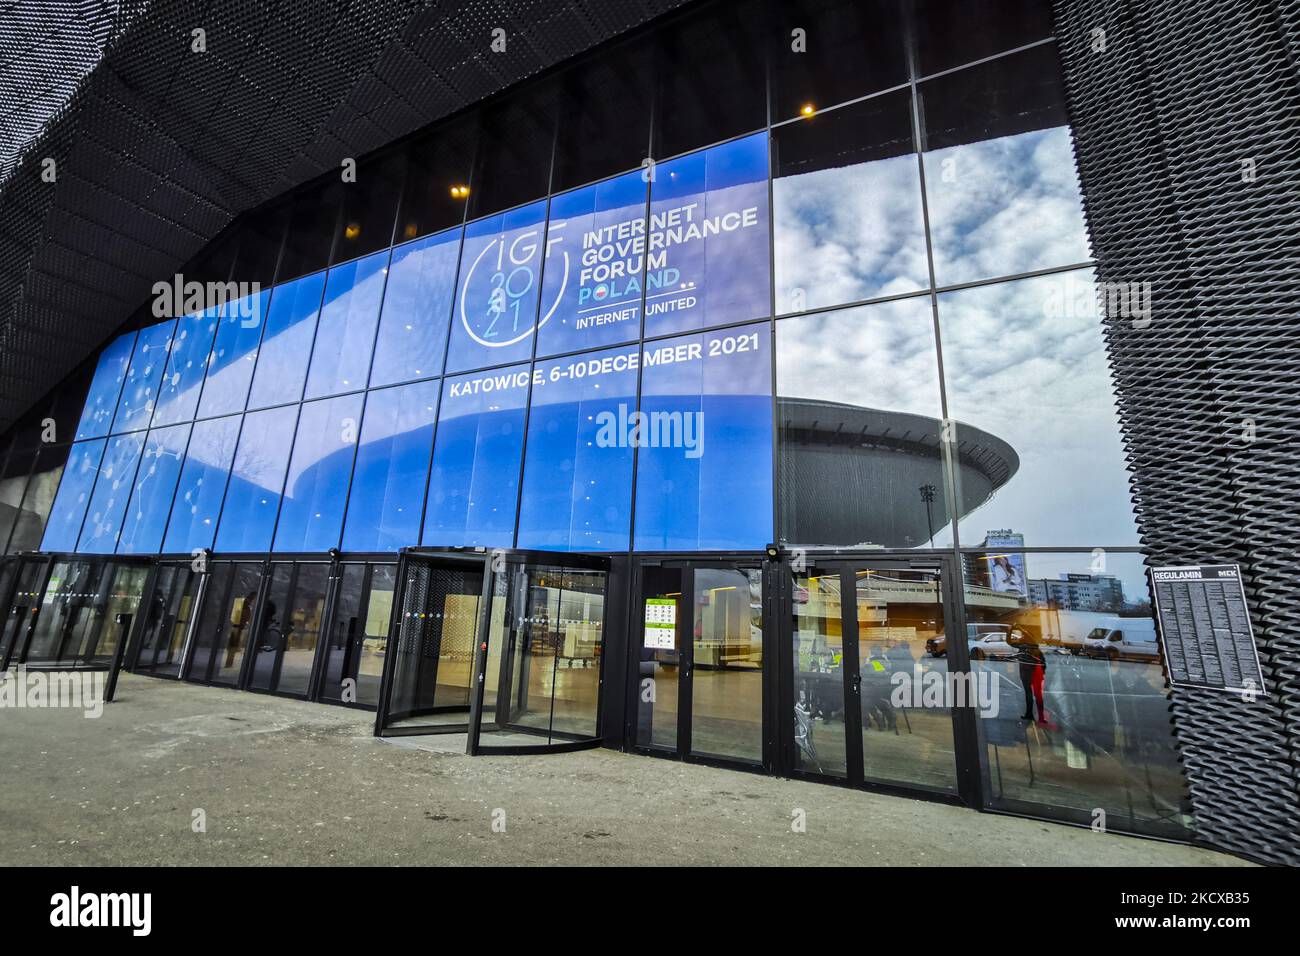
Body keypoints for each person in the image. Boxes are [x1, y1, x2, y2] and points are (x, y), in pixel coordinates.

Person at [1013, 625, 1050, 725]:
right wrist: (1011, 630)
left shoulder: (1032, 646)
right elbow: (1009, 641)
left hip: (1034, 673)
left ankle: (1038, 717)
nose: (1021, 637)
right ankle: (1031, 714)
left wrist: (1019, 628)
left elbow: (1041, 663)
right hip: (1029, 673)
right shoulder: (1023, 647)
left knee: (1035, 695)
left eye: (1023, 636)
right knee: (1032, 694)